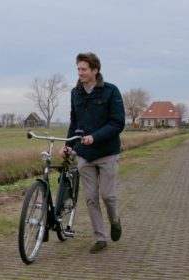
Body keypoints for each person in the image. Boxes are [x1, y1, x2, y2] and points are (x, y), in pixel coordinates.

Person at [59, 52, 125, 254]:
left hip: (106, 152)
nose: (79, 73)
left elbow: (117, 123)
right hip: (84, 154)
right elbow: (75, 123)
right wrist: (69, 145)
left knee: (107, 195)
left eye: (83, 69)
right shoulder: (75, 93)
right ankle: (100, 238)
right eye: (78, 69)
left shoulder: (111, 91)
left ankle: (115, 220)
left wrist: (95, 137)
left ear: (95, 70)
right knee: (90, 198)